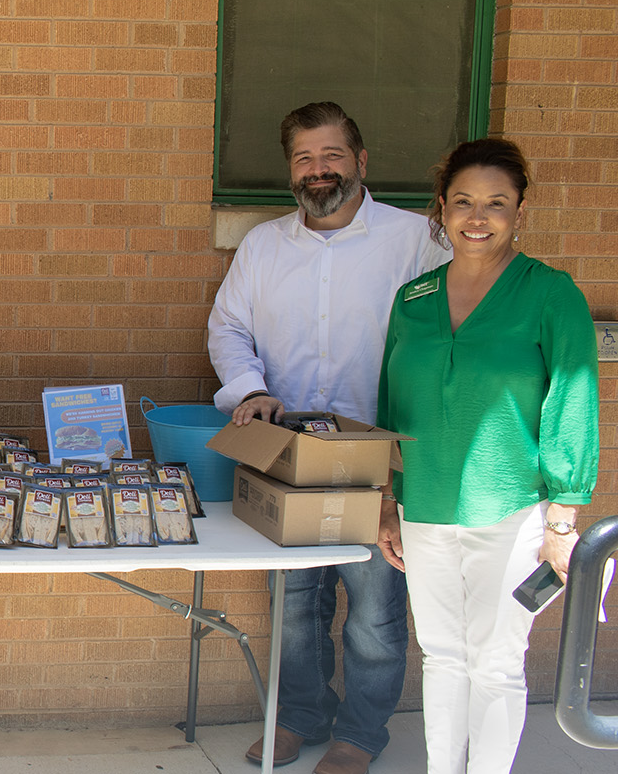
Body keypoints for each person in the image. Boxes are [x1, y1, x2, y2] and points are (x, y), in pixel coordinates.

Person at [207, 101, 449, 774]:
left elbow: (450, 334)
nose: (319, 172)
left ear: (361, 162)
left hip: (378, 457)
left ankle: (361, 734)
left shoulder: (417, 243)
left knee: (374, 608)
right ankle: (301, 716)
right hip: (284, 454)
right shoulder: (264, 246)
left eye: (332, 156)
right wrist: (250, 390)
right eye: (305, 159)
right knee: (293, 602)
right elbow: (228, 328)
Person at [376, 139, 597, 774]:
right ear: (441, 209)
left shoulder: (550, 294)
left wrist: (562, 520)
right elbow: (391, 404)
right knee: (442, 655)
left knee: (497, 662)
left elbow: (573, 401)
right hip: (423, 505)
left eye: (497, 202)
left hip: (513, 509)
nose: (479, 216)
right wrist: (388, 501)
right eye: (465, 201)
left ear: (519, 212)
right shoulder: (413, 299)